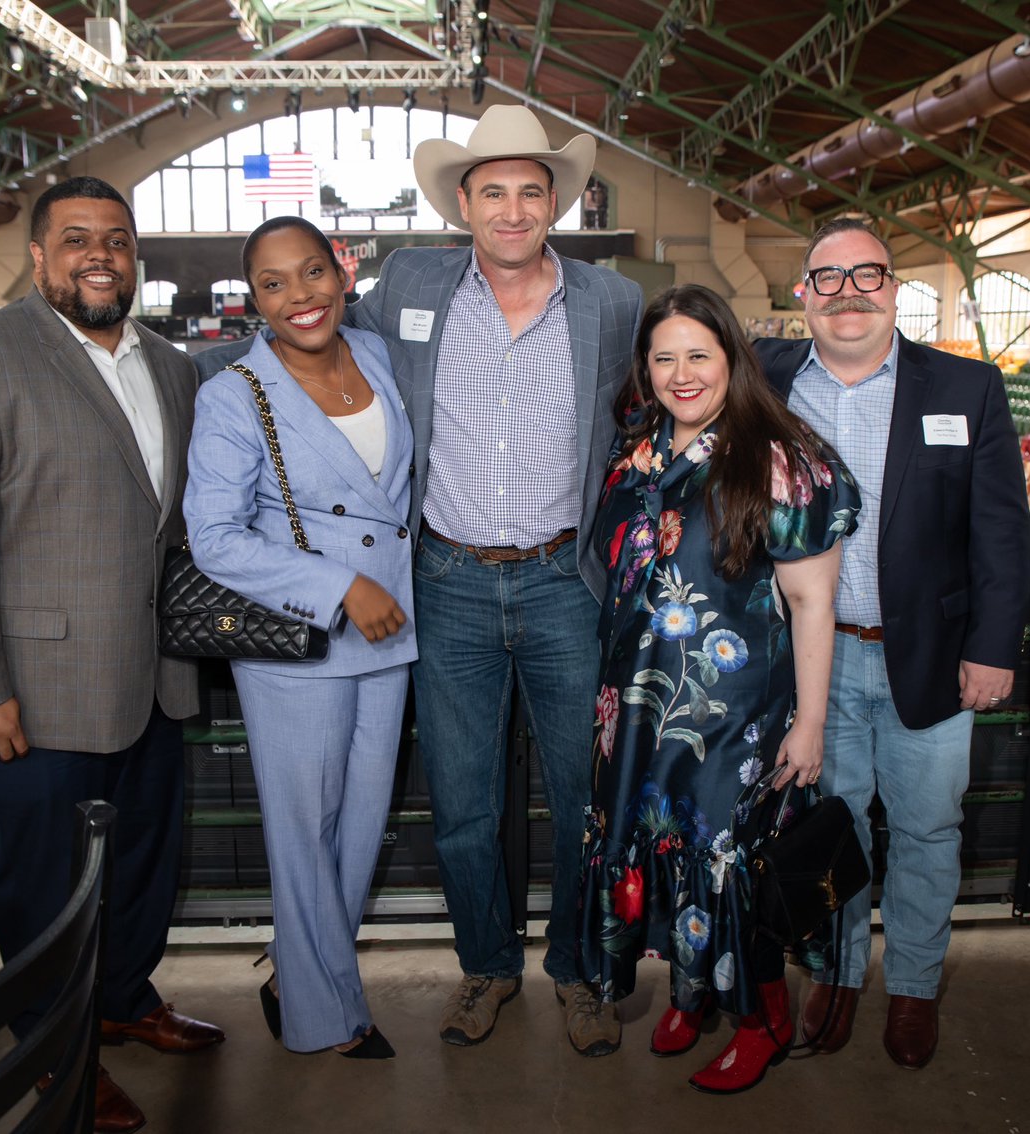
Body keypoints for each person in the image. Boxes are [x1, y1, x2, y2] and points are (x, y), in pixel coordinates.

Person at [0, 176, 223, 1134]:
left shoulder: (171, 366)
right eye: (76, 239)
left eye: (116, 238)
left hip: (153, 680)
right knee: (41, 885)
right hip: (29, 691)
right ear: (38, 257)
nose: (99, 255)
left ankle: (121, 997)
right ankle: (54, 1053)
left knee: (145, 862)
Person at [347, 104, 643, 1056]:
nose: (512, 210)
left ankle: (579, 972)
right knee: (466, 799)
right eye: (492, 193)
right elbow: (320, 356)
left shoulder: (611, 302)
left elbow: (675, 394)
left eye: (530, 191)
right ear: (462, 204)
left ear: (556, 201)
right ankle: (486, 966)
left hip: (565, 580)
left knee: (581, 793)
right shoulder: (408, 287)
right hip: (448, 578)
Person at [755, 217, 1030, 1069]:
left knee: (926, 832)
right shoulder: (761, 380)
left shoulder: (966, 386)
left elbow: (999, 531)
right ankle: (833, 976)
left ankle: (912, 989)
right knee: (829, 830)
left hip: (934, 658)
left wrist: (993, 647)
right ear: (802, 295)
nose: (848, 293)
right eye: (827, 278)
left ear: (895, 289)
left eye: (866, 275)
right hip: (813, 660)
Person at [578, 283, 859, 1092]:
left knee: (732, 862)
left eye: (698, 354)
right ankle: (692, 994)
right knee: (657, 849)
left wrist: (806, 726)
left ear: (733, 358)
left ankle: (763, 1019)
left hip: (732, 717)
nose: (681, 372)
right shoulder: (636, 453)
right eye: (663, 357)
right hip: (632, 710)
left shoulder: (780, 456)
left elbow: (811, 602)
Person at [185, 216, 416, 1058]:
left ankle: (297, 969)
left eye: (312, 272)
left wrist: (376, 587)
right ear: (256, 301)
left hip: (392, 627)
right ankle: (328, 1013)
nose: (300, 296)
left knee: (362, 822)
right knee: (304, 826)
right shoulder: (234, 393)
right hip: (299, 640)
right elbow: (213, 536)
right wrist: (338, 586)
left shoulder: (385, 359)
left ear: (341, 272)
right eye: (275, 283)